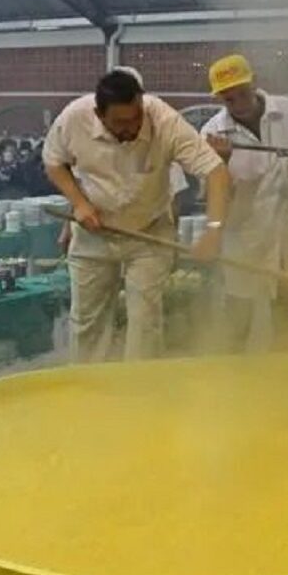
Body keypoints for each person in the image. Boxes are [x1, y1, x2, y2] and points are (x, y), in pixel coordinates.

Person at [44, 70, 231, 362]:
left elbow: (216, 171)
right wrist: (79, 204)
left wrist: (214, 229)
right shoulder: (73, 118)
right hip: (94, 231)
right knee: (87, 320)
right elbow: (54, 163)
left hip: (149, 233)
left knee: (145, 319)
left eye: (136, 118)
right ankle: (90, 389)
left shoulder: (165, 121)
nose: (131, 128)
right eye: (120, 123)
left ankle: (140, 390)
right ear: (99, 114)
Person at [201, 54, 288, 352]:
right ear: (220, 98)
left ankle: (286, 371)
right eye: (229, 98)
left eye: (242, 93)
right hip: (243, 233)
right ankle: (233, 377)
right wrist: (221, 164)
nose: (239, 103)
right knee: (240, 313)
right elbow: (213, 197)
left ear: (254, 82)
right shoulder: (211, 134)